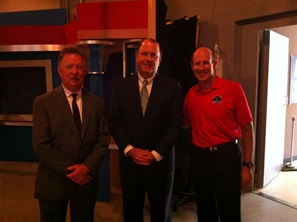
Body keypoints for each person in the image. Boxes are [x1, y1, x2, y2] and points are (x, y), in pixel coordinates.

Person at [108, 38, 183, 222]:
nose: (149, 59)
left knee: (161, 215)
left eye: (153, 55)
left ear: (159, 59)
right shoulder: (121, 86)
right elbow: (114, 122)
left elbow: (175, 125)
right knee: (132, 214)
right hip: (130, 164)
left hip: (160, 164)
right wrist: (130, 150)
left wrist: (155, 154)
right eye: (145, 54)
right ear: (136, 56)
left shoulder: (172, 87)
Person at [32, 47, 110, 222]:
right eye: (69, 67)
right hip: (53, 182)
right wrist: (74, 171)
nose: (75, 72)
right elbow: (41, 145)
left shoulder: (97, 103)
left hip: (86, 181)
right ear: (60, 70)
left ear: (86, 71)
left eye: (80, 67)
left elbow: (103, 139)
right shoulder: (43, 103)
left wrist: (86, 167)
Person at [183, 47, 254, 222]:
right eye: (197, 64)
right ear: (192, 67)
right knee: (205, 210)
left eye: (205, 63)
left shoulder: (233, 89)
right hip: (200, 159)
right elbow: (184, 122)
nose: (201, 68)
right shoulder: (191, 94)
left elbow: (247, 128)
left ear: (214, 64)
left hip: (226, 157)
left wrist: (247, 165)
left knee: (229, 210)